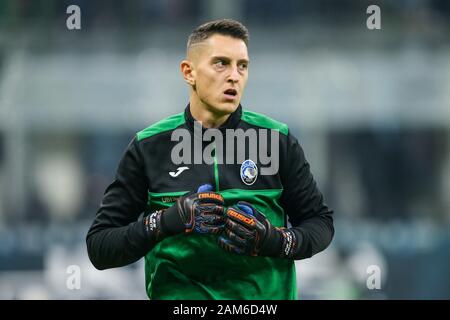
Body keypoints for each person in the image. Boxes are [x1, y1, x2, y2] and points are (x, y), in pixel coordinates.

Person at [86, 19, 334, 300]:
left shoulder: (277, 140)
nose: (234, 76)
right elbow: (100, 247)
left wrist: (276, 241)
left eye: (242, 66)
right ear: (188, 72)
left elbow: (320, 224)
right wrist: (164, 222)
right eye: (221, 63)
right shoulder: (149, 146)